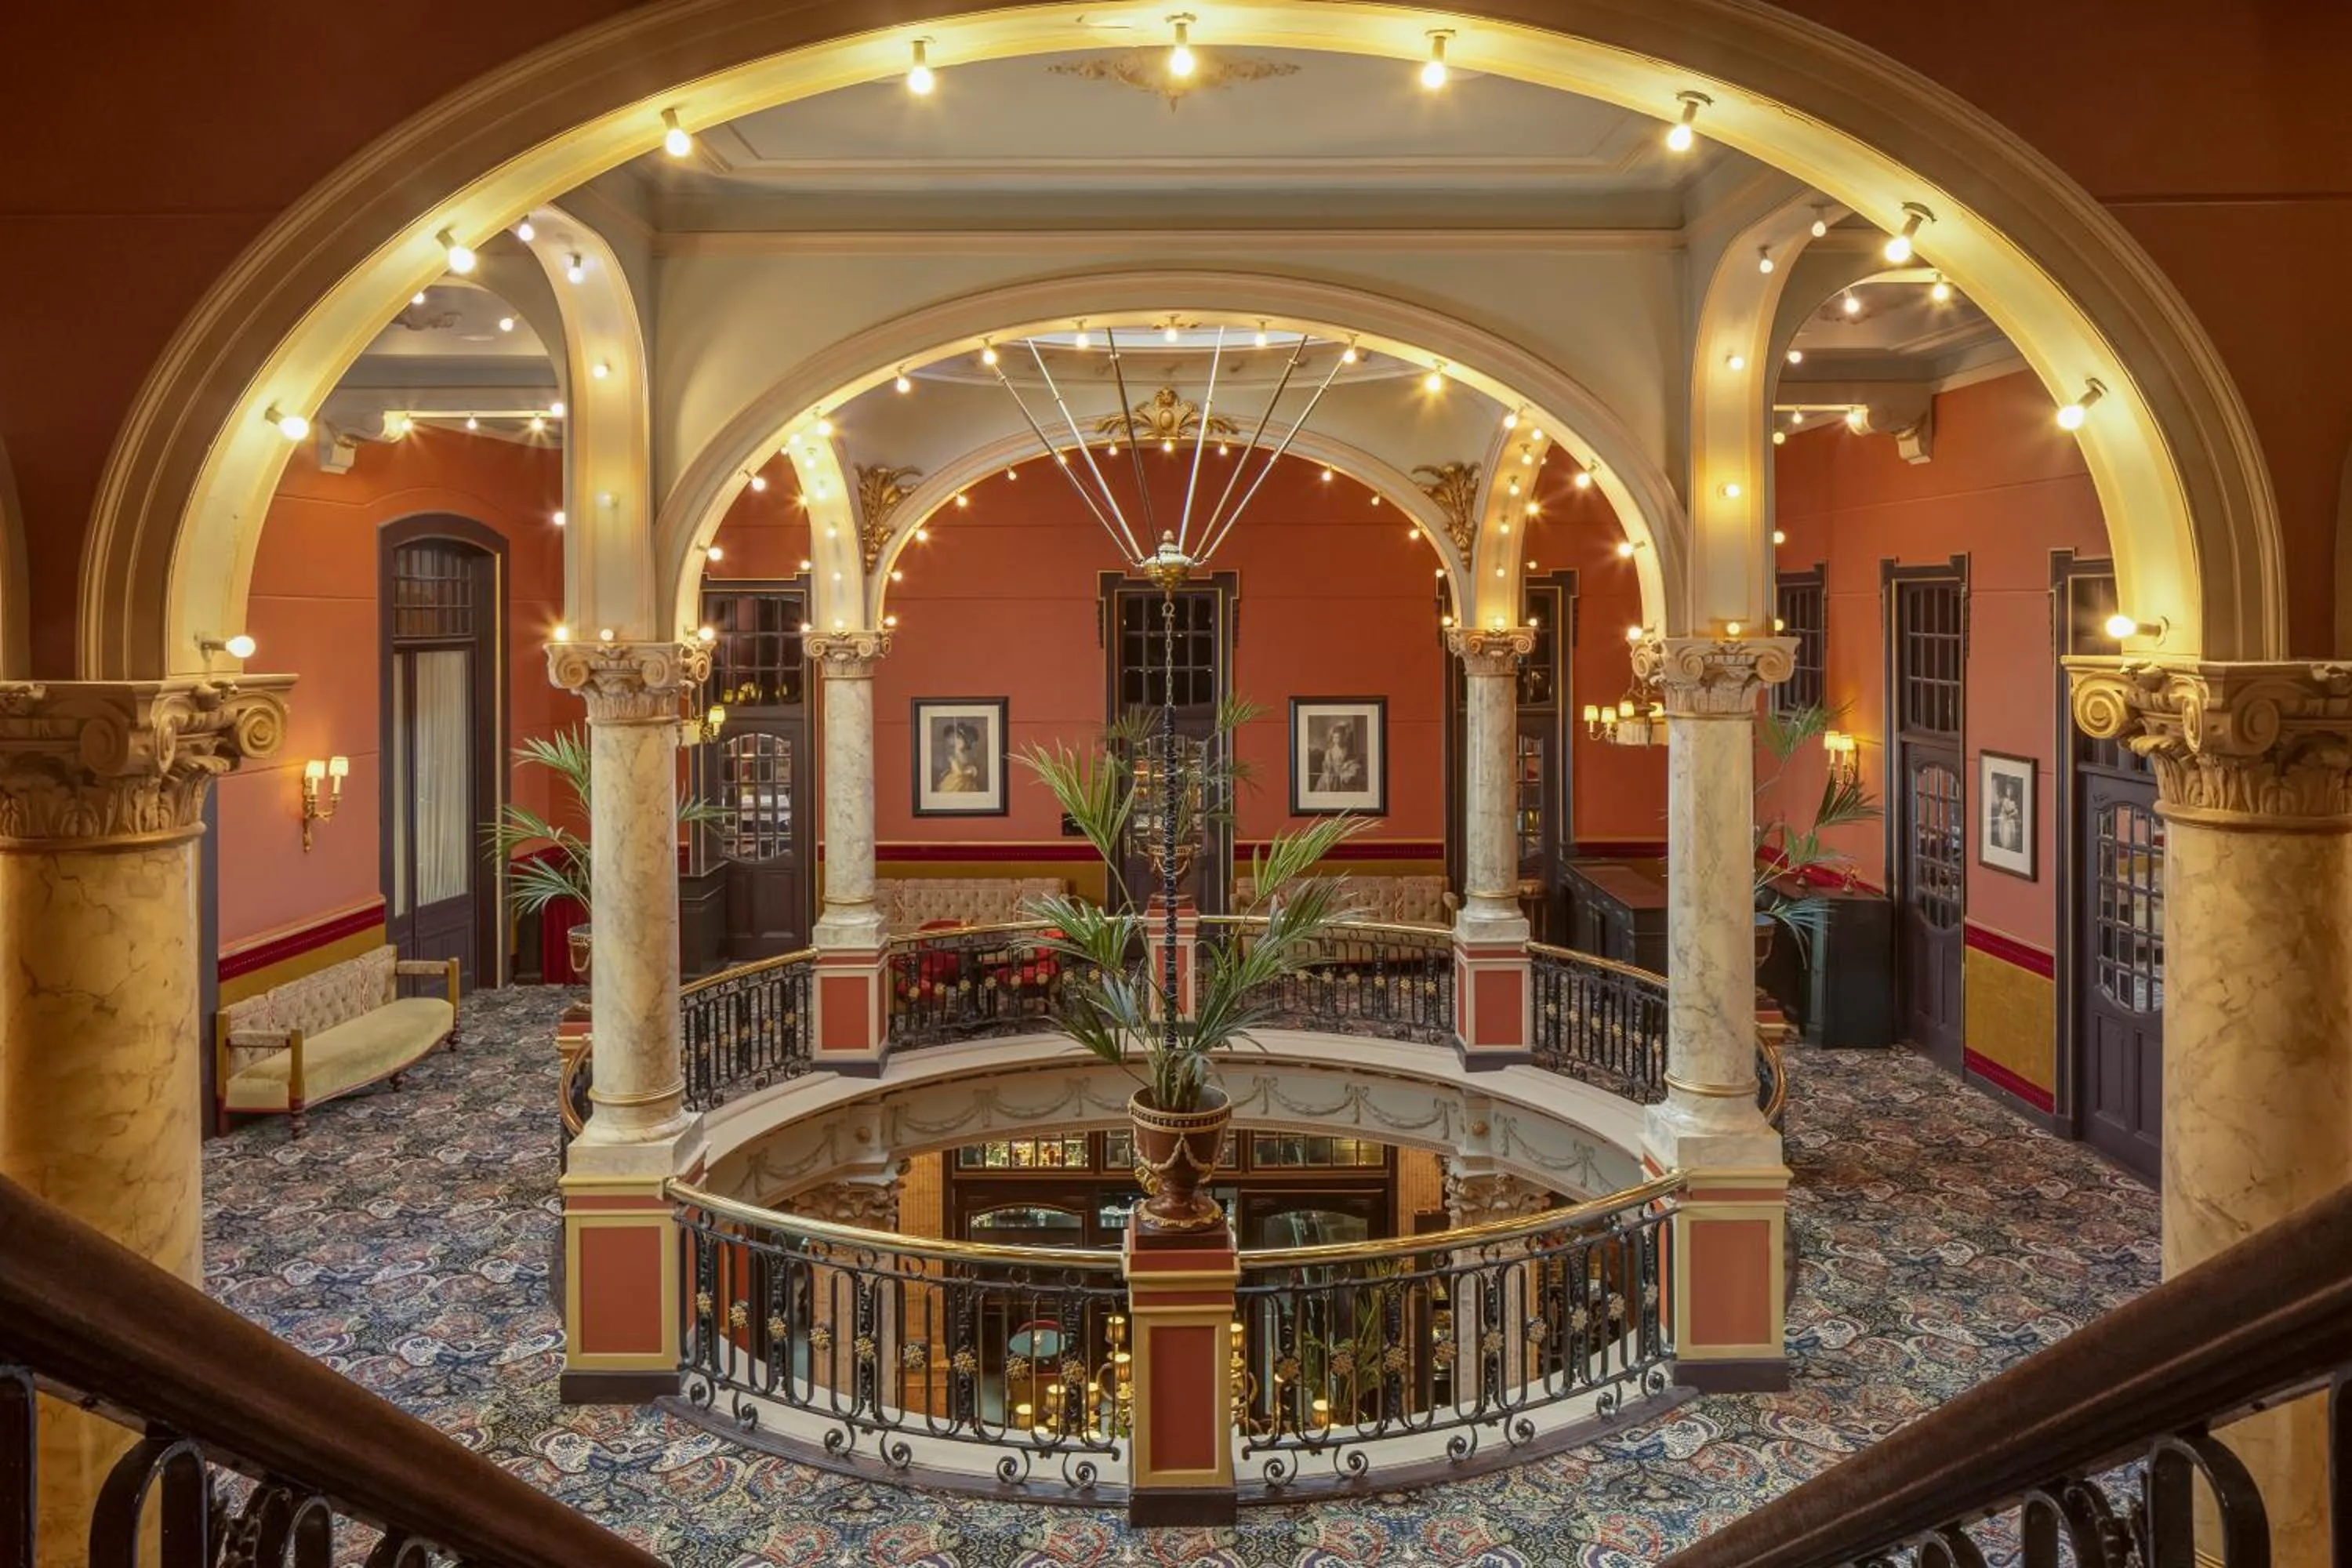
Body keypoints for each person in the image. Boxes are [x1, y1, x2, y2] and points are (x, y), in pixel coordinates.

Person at [1313, 718, 1363, 793]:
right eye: (1335, 738)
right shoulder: (1329, 752)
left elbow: (1352, 759)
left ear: (1343, 738)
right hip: (1331, 774)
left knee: (1351, 776)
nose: (1337, 740)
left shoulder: (1345, 749)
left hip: (1342, 773)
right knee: (1329, 781)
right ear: (1333, 739)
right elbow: (1328, 766)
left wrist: (1347, 764)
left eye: (1339, 738)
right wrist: (1330, 772)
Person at [935, 720, 985, 793]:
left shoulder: (966, 755)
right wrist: (969, 771)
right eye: (956, 738)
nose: (957, 741)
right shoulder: (953, 755)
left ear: (967, 742)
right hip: (956, 781)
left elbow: (968, 765)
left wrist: (973, 768)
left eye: (960, 739)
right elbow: (958, 771)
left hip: (966, 781)